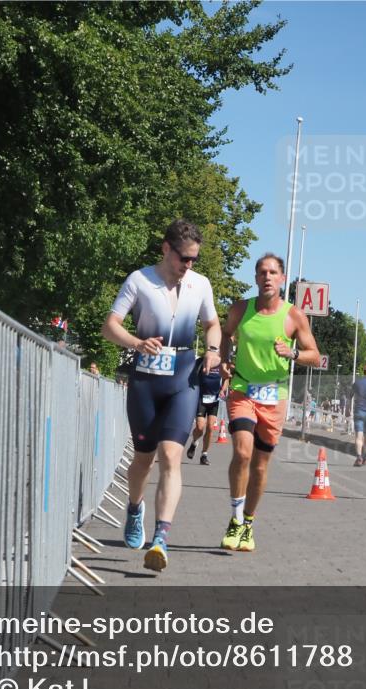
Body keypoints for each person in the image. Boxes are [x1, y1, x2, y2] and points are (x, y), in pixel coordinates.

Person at [101, 219, 221, 572]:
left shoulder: (200, 285)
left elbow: (212, 324)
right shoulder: (139, 280)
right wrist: (137, 343)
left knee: (171, 455)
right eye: (184, 258)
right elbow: (110, 326)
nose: (189, 266)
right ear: (166, 249)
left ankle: (161, 538)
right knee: (144, 460)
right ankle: (135, 508)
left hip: (184, 378)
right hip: (145, 382)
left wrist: (213, 349)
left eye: (194, 260)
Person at [219, 253, 320, 552]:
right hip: (242, 389)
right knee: (242, 451)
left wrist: (293, 354)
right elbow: (225, 334)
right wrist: (224, 361)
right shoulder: (240, 309)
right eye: (262, 272)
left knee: (260, 467)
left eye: (273, 272)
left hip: (274, 396)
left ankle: (248, 523)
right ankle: (235, 519)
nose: (267, 277)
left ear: (282, 279)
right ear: (255, 278)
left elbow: (315, 355)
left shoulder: (294, 316)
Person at [186, 366, 225, 466]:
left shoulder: (222, 363)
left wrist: (223, 390)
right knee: (200, 427)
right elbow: (191, 376)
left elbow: (226, 378)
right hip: (201, 399)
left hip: (214, 400)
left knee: (210, 428)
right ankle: (194, 443)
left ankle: (204, 455)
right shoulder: (201, 362)